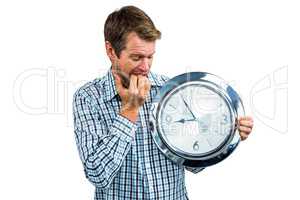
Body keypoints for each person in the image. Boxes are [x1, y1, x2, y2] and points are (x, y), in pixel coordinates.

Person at [72, 5, 254, 200]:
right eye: (136, 57)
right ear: (110, 50)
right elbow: (97, 174)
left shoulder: (171, 91)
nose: (145, 67)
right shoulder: (88, 97)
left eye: (150, 57)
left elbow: (191, 159)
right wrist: (130, 110)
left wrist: (227, 135)